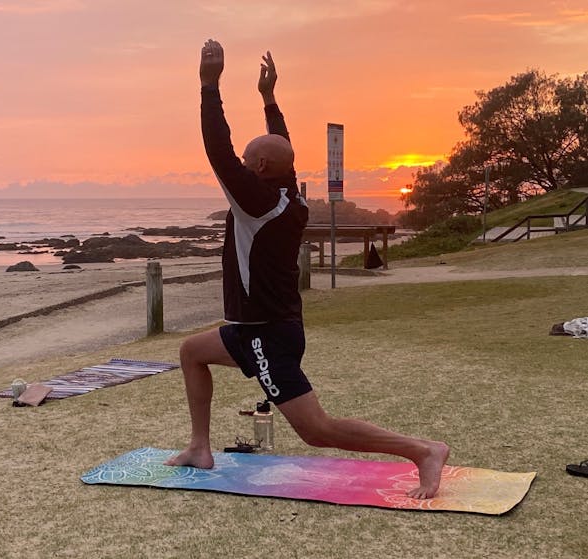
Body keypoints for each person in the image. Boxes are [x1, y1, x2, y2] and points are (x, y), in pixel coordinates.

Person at [165, 39, 450, 499]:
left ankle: (423, 450)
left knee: (316, 430)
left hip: (269, 333)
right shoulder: (288, 195)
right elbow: (282, 147)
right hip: (252, 326)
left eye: (246, 163)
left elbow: (219, 151)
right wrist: (269, 100)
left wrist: (209, 86)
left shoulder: (257, 203)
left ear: (258, 167)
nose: (238, 167)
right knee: (191, 352)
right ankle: (199, 446)